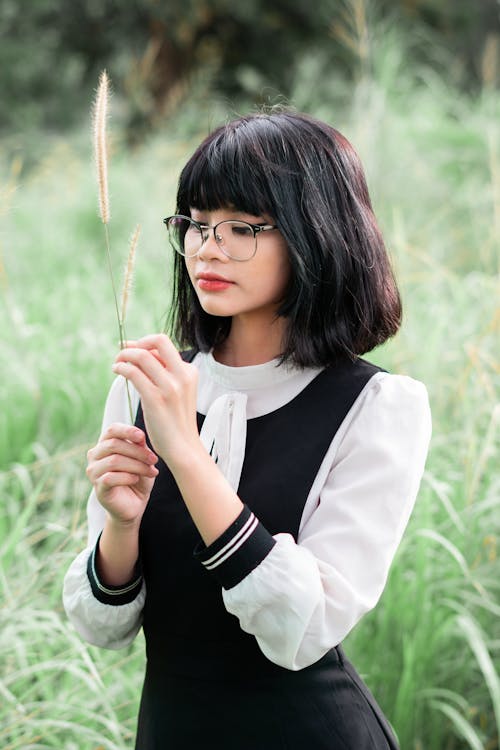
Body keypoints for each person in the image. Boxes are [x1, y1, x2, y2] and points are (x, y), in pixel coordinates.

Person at [63, 110, 431, 749]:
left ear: (316, 234)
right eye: (197, 224)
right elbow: (102, 629)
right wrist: (121, 525)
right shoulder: (146, 384)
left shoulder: (377, 406)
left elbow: (305, 627)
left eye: (241, 227)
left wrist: (186, 456)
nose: (208, 248)